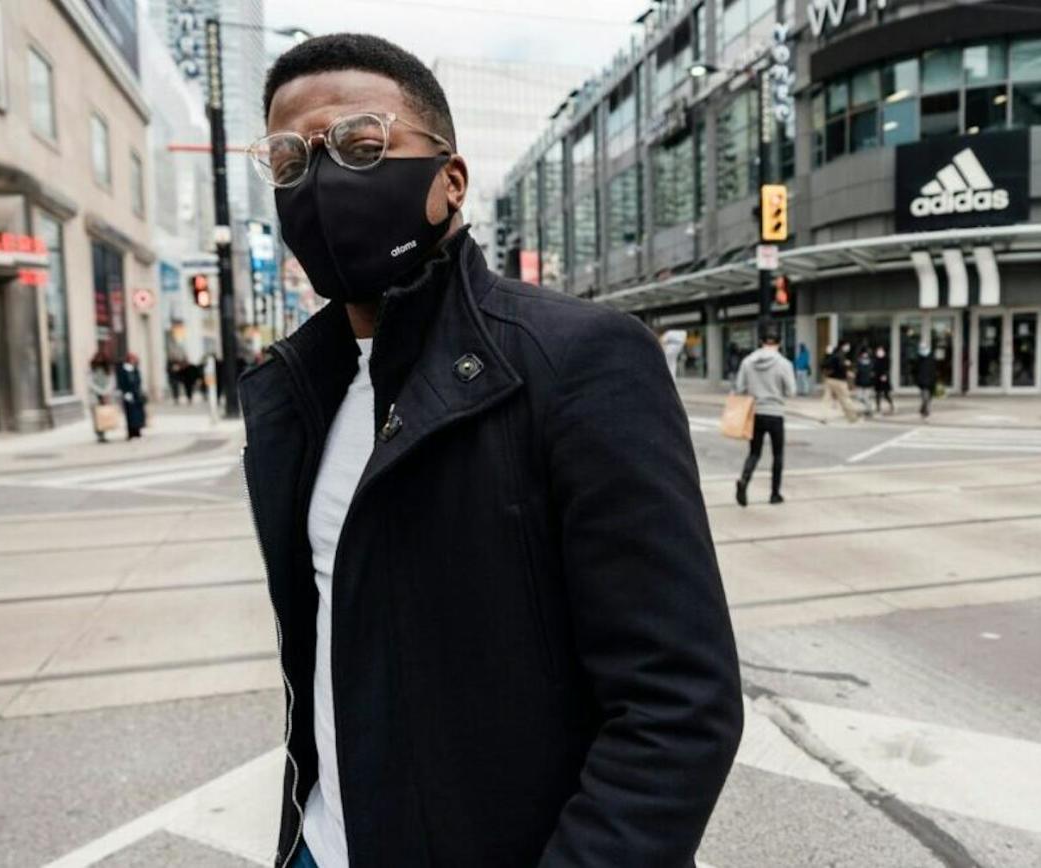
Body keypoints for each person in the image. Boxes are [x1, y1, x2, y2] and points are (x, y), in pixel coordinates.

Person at [238, 34, 741, 868]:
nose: (321, 181)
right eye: (291, 162)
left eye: (362, 145)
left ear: (450, 180)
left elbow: (678, 706)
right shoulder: (295, 392)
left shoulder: (580, 358)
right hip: (323, 846)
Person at [733, 329, 796, 507]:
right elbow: (791, 391)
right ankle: (774, 494)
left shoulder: (747, 362)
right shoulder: (784, 364)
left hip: (756, 412)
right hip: (775, 413)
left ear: (761, 342)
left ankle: (744, 481)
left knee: (754, 452)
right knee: (777, 454)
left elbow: (739, 388)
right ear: (779, 343)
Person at [821, 341, 860, 422]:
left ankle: (823, 417)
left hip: (829, 380)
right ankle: (852, 418)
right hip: (839, 381)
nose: (848, 348)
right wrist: (848, 368)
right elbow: (841, 367)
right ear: (843, 346)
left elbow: (823, 365)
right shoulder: (841, 356)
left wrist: (827, 355)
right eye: (847, 346)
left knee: (826, 400)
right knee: (845, 399)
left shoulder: (832, 355)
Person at [87, 351, 117, 443]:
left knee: (105, 415)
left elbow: (112, 382)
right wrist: (101, 392)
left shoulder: (108, 370)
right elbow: (90, 383)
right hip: (95, 396)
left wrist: (106, 392)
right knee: (96, 415)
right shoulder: (92, 370)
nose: (100, 360)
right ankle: (99, 434)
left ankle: (104, 433)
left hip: (106, 395)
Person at [117, 352, 147, 439]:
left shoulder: (135, 369)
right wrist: (125, 392)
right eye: (132, 359)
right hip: (128, 394)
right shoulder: (123, 369)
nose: (134, 360)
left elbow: (139, 381)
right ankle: (130, 433)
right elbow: (121, 382)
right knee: (129, 414)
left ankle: (137, 431)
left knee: (138, 414)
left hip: (136, 394)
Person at [915, 344, 938, 420]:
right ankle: (926, 411)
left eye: (925, 348)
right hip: (923, 381)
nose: (923, 350)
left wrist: (935, 378)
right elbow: (915, 370)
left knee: (929, 397)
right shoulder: (919, 359)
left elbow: (934, 369)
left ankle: (922, 409)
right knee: (925, 397)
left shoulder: (931, 357)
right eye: (922, 348)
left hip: (931, 380)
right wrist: (917, 379)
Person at [873, 345, 894, 415]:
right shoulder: (875, 360)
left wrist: (885, 375)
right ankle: (878, 406)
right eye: (878, 351)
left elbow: (887, 368)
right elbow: (874, 369)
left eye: (881, 351)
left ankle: (891, 404)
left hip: (884, 378)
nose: (879, 352)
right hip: (877, 378)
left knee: (886, 393)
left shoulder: (886, 359)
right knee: (877, 394)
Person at [853, 346, 875, 415]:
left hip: (868, 383)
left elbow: (873, 373)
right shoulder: (858, 362)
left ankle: (868, 410)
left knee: (866, 397)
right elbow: (857, 373)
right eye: (863, 353)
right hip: (860, 383)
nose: (865, 355)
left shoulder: (872, 362)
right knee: (859, 397)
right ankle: (868, 407)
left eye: (866, 353)